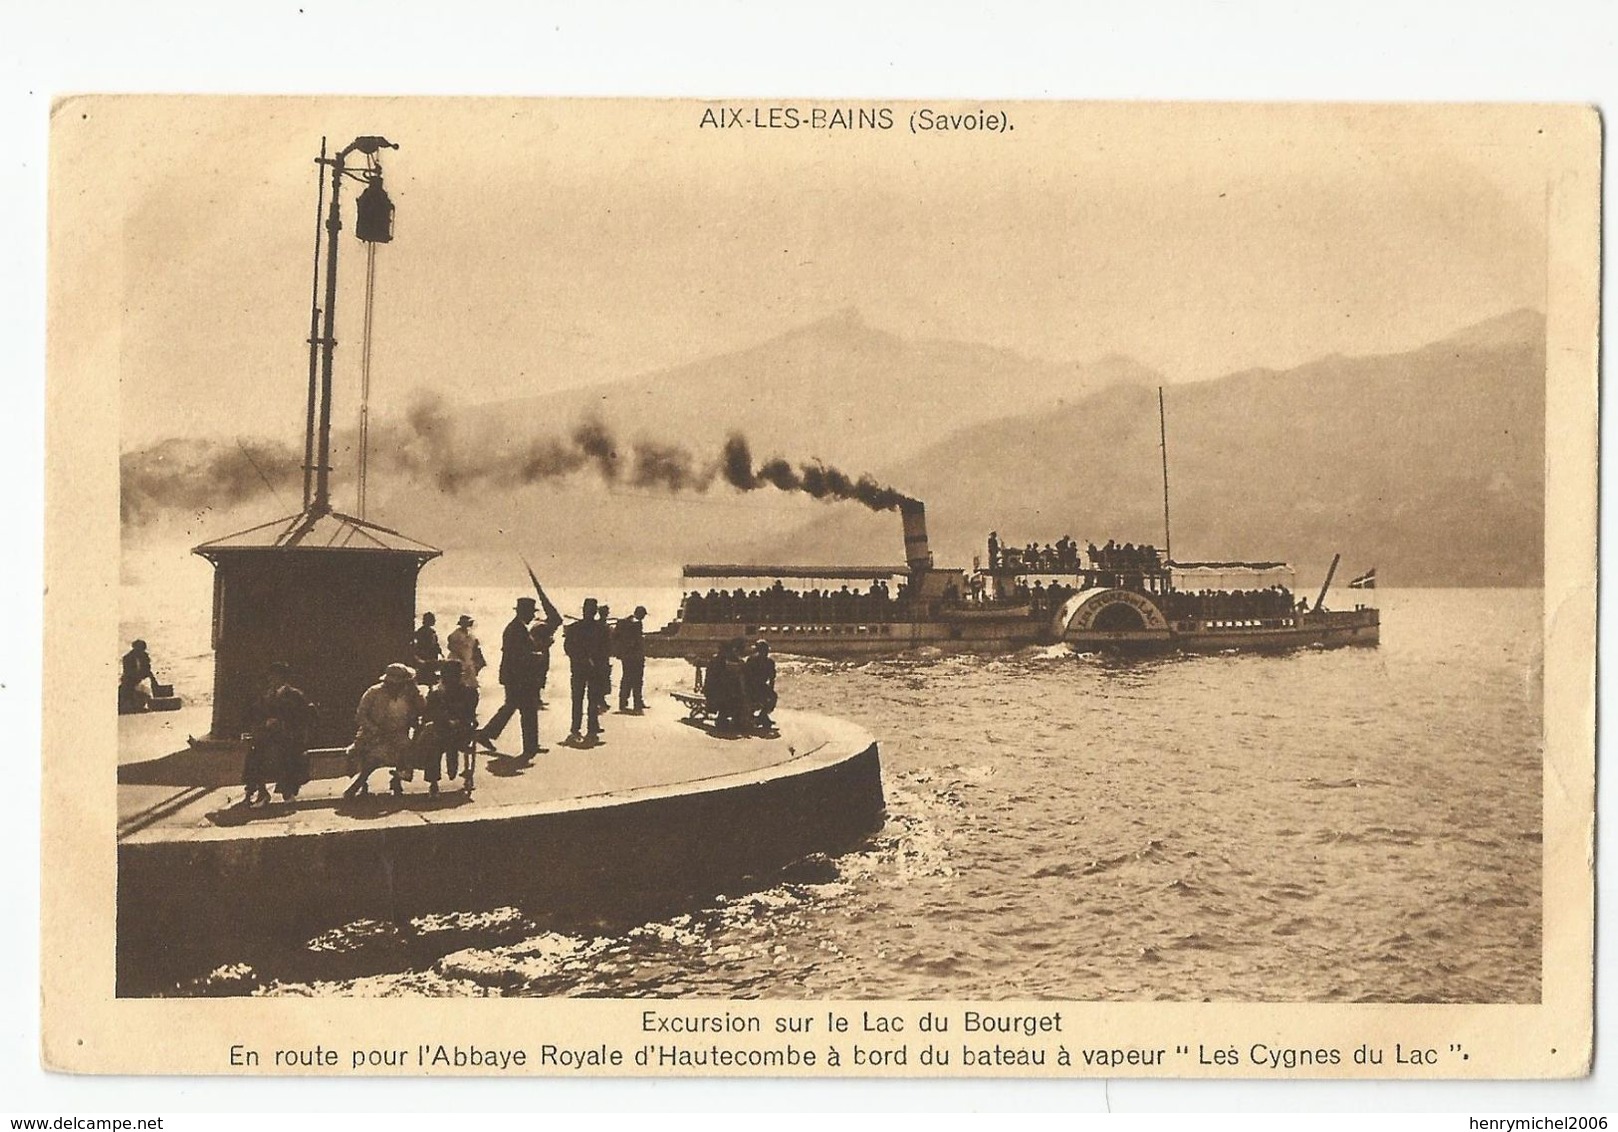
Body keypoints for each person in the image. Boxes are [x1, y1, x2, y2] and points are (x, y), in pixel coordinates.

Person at [478, 596, 546, 757]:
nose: (532, 616)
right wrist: (537, 654)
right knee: (526, 709)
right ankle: (529, 746)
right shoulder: (517, 629)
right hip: (518, 677)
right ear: (524, 612)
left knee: (515, 707)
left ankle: (488, 734)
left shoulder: (517, 627)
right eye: (531, 612)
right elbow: (518, 655)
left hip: (515, 676)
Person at [241, 661, 314, 806]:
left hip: (290, 737)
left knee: (279, 754)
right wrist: (264, 724)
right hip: (271, 736)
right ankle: (259, 791)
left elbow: (306, 716)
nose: (271, 680)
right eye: (270, 677)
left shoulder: (294, 695)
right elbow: (258, 714)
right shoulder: (268, 695)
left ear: (282, 678)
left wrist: (281, 722)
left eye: (275, 677)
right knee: (254, 753)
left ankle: (286, 792)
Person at [343, 663, 422, 799]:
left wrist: (415, 691)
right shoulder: (374, 693)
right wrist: (375, 729)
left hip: (399, 733)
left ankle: (397, 779)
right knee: (377, 755)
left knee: (406, 747)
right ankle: (358, 783)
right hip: (374, 734)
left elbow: (421, 709)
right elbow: (361, 715)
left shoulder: (409, 695)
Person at [416, 659, 479, 794]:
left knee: (439, 737)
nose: (450, 680)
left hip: (461, 732)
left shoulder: (470, 693)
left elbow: (470, 714)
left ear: (460, 677)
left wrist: (457, 721)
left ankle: (448, 769)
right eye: (447, 677)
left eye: (454, 676)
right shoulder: (435, 694)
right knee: (433, 742)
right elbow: (428, 715)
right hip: (441, 732)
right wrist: (443, 719)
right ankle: (433, 782)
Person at [564, 598, 607, 744]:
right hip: (589, 670)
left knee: (580, 701)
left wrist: (580, 658)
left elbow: (568, 648)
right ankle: (589, 729)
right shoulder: (600, 628)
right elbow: (607, 649)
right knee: (590, 701)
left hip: (581, 669)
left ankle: (578, 729)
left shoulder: (575, 627)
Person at [525, 587, 563, 708]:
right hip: (537, 655)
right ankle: (535, 698)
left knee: (541, 675)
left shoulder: (543, 626)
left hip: (542, 654)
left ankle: (537, 698)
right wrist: (548, 642)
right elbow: (535, 643)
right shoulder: (542, 627)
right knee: (537, 676)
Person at [445, 614, 486, 726]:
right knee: (456, 686)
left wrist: (478, 662)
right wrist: (460, 658)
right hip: (457, 662)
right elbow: (451, 647)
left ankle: (470, 712)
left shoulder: (471, 636)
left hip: (468, 663)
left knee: (472, 689)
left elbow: (475, 649)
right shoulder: (455, 635)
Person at [615, 605, 649, 712]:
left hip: (626, 656)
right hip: (636, 657)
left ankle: (623, 702)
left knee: (626, 679)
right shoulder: (637, 624)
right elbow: (636, 641)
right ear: (640, 614)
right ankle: (637, 703)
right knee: (637, 680)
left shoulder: (625, 622)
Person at [743, 639, 778, 729]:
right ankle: (756, 715)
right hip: (751, 686)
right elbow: (745, 676)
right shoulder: (751, 660)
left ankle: (763, 715)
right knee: (767, 697)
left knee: (773, 697)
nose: (764, 653)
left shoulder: (769, 662)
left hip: (760, 686)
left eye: (765, 651)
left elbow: (772, 679)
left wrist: (770, 690)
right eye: (763, 651)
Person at [119, 639, 156, 713]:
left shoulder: (145, 656)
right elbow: (128, 672)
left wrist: (151, 679)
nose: (142, 651)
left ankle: (145, 704)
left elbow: (147, 670)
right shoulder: (127, 658)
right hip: (131, 679)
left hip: (142, 678)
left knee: (147, 685)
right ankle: (132, 704)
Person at [592, 604, 614, 716]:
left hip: (601, 656)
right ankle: (600, 701)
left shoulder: (599, 625)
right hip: (601, 657)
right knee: (602, 679)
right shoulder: (602, 626)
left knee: (602, 679)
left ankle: (600, 701)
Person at [413, 612, 442, 681]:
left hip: (431, 654)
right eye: (432, 619)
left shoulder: (432, 631)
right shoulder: (422, 631)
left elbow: (435, 643)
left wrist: (438, 650)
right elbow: (421, 644)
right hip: (425, 655)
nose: (434, 621)